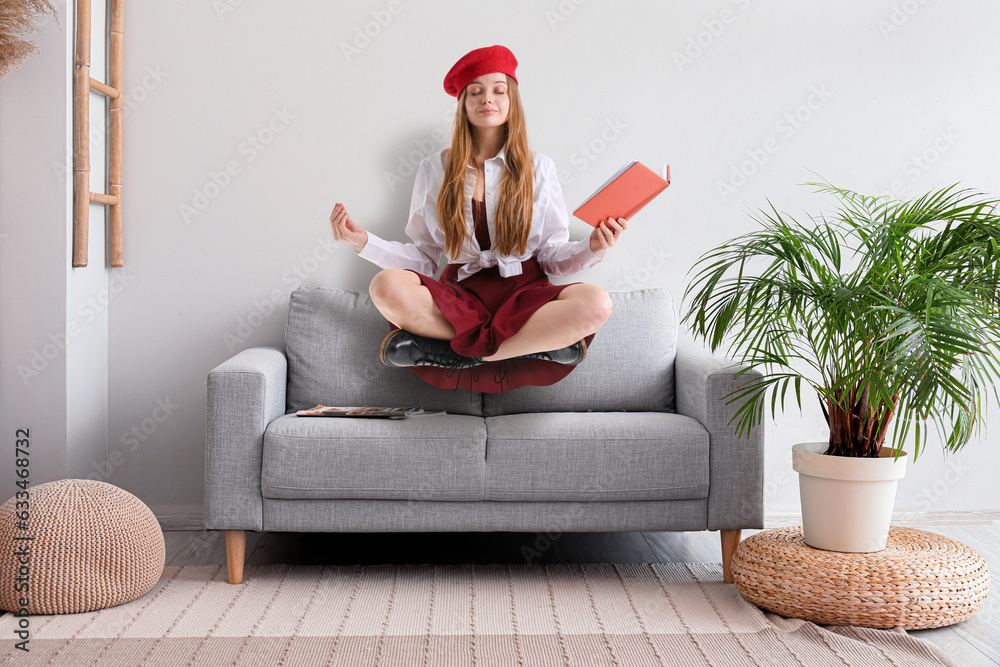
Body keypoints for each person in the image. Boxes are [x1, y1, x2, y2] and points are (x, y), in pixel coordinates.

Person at [329, 44, 627, 391]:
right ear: (463, 104)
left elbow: (551, 256)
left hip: (524, 292)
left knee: (595, 303)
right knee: (385, 286)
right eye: (476, 91)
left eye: (499, 90)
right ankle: (531, 346)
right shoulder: (433, 169)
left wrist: (592, 247)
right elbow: (424, 260)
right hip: (461, 296)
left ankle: (463, 353)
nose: (488, 99)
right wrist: (364, 242)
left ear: (512, 100)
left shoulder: (538, 167)